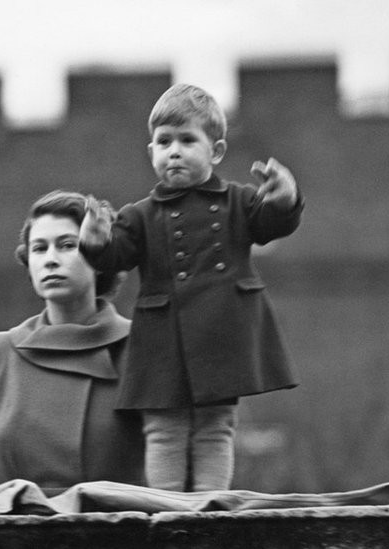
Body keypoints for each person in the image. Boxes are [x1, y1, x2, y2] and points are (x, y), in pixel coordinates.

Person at [78, 83, 304, 492]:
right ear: (151, 153)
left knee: (215, 427)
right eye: (164, 142)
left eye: (187, 140)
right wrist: (95, 239)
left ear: (215, 152)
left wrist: (284, 200)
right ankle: (168, 511)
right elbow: (114, 259)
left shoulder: (238, 201)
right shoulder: (140, 215)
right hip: (164, 338)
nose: (174, 151)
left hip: (222, 332)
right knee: (164, 429)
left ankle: (209, 510)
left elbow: (272, 225)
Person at [0, 190, 144, 513]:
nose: (50, 259)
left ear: (102, 255)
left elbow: (176, 468)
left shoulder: (143, 347)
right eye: (39, 248)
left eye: (68, 245)